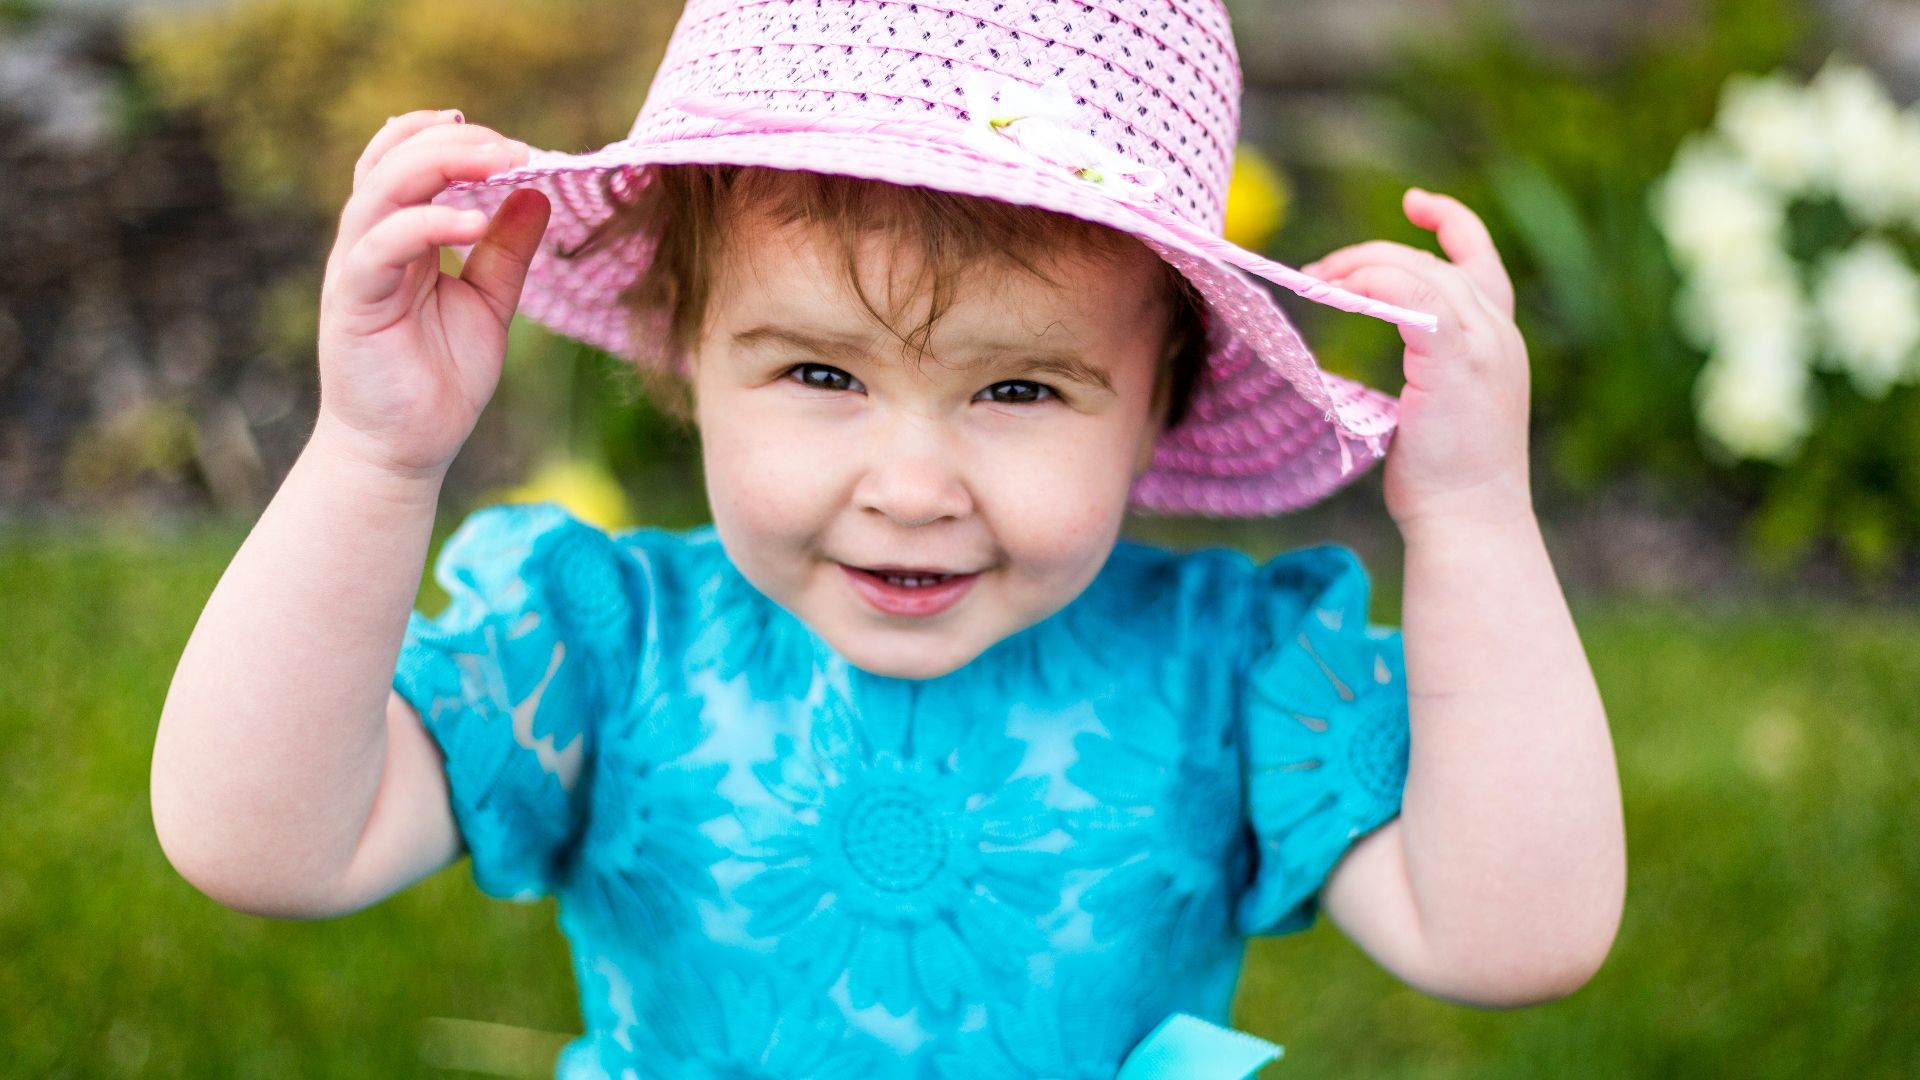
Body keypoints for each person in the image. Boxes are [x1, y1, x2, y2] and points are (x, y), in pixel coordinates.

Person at [150, 0, 1625, 1074]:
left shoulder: (1223, 677)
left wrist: (1477, 518)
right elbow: (263, 843)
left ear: (1166, 400)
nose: (912, 484)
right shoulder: (598, 647)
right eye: (821, 374)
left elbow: (1509, 939)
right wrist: (373, 456)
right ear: (685, 355)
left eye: (1020, 388)